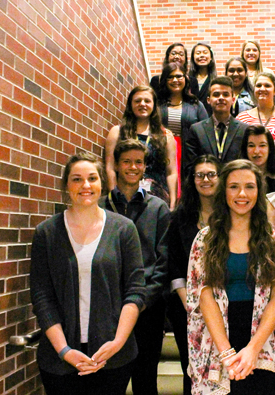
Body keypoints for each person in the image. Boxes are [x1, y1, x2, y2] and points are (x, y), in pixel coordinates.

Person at [30, 152, 145, 395]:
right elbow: (42, 297)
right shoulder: (46, 233)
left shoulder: (124, 229)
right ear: (66, 185)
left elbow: (135, 291)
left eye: (92, 178)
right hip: (59, 360)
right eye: (76, 179)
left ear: (102, 183)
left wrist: (117, 343)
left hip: (114, 358)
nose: (85, 186)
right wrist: (64, 350)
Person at [186, 159, 275, 394]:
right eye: (233, 186)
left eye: (250, 186)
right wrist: (227, 353)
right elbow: (203, 296)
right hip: (217, 340)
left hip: (263, 338)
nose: (242, 193)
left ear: (259, 192)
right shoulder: (204, 240)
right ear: (223, 191)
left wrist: (252, 350)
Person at [100, 139, 170, 395]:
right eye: (126, 161)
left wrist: (141, 301)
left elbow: (163, 263)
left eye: (138, 162)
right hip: (108, 309)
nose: (132, 166)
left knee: (145, 380)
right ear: (116, 165)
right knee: (108, 379)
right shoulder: (100, 207)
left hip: (147, 310)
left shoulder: (158, 208)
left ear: (144, 168)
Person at [167, 154, 222, 395]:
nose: (206, 179)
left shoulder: (230, 215)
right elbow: (174, 263)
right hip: (186, 308)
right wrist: (189, 302)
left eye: (211, 174)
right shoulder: (180, 217)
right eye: (200, 175)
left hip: (224, 305)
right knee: (191, 367)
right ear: (193, 180)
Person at [105, 85, 178, 209]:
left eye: (147, 101)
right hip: (124, 197)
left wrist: (173, 200)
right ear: (130, 104)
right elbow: (110, 167)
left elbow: (171, 172)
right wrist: (114, 195)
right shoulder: (117, 132)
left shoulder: (166, 136)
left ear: (154, 106)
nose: (142, 104)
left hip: (157, 198)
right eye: (137, 101)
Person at [158, 62, 208, 195]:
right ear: (165, 80)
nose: (175, 80)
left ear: (186, 79)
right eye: (170, 77)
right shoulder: (157, 103)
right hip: (163, 153)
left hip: (188, 153)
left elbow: (205, 133)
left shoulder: (196, 105)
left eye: (179, 76)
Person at [184, 77, 248, 178]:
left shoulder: (244, 130)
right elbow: (190, 167)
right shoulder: (196, 130)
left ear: (233, 99)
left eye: (226, 94)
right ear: (208, 100)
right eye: (216, 94)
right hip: (205, 186)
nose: (221, 98)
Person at [240, 125, 275, 192]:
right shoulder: (237, 177)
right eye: (251, 146)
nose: (256, 151)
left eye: (262, 145)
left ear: (270, 149)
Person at [189, 42, 217, 115]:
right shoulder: (187, 79)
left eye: (205, 53)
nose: (202, 55)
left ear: (211, 57)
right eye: (198, 53)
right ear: (193, 57)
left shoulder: (215, 80)